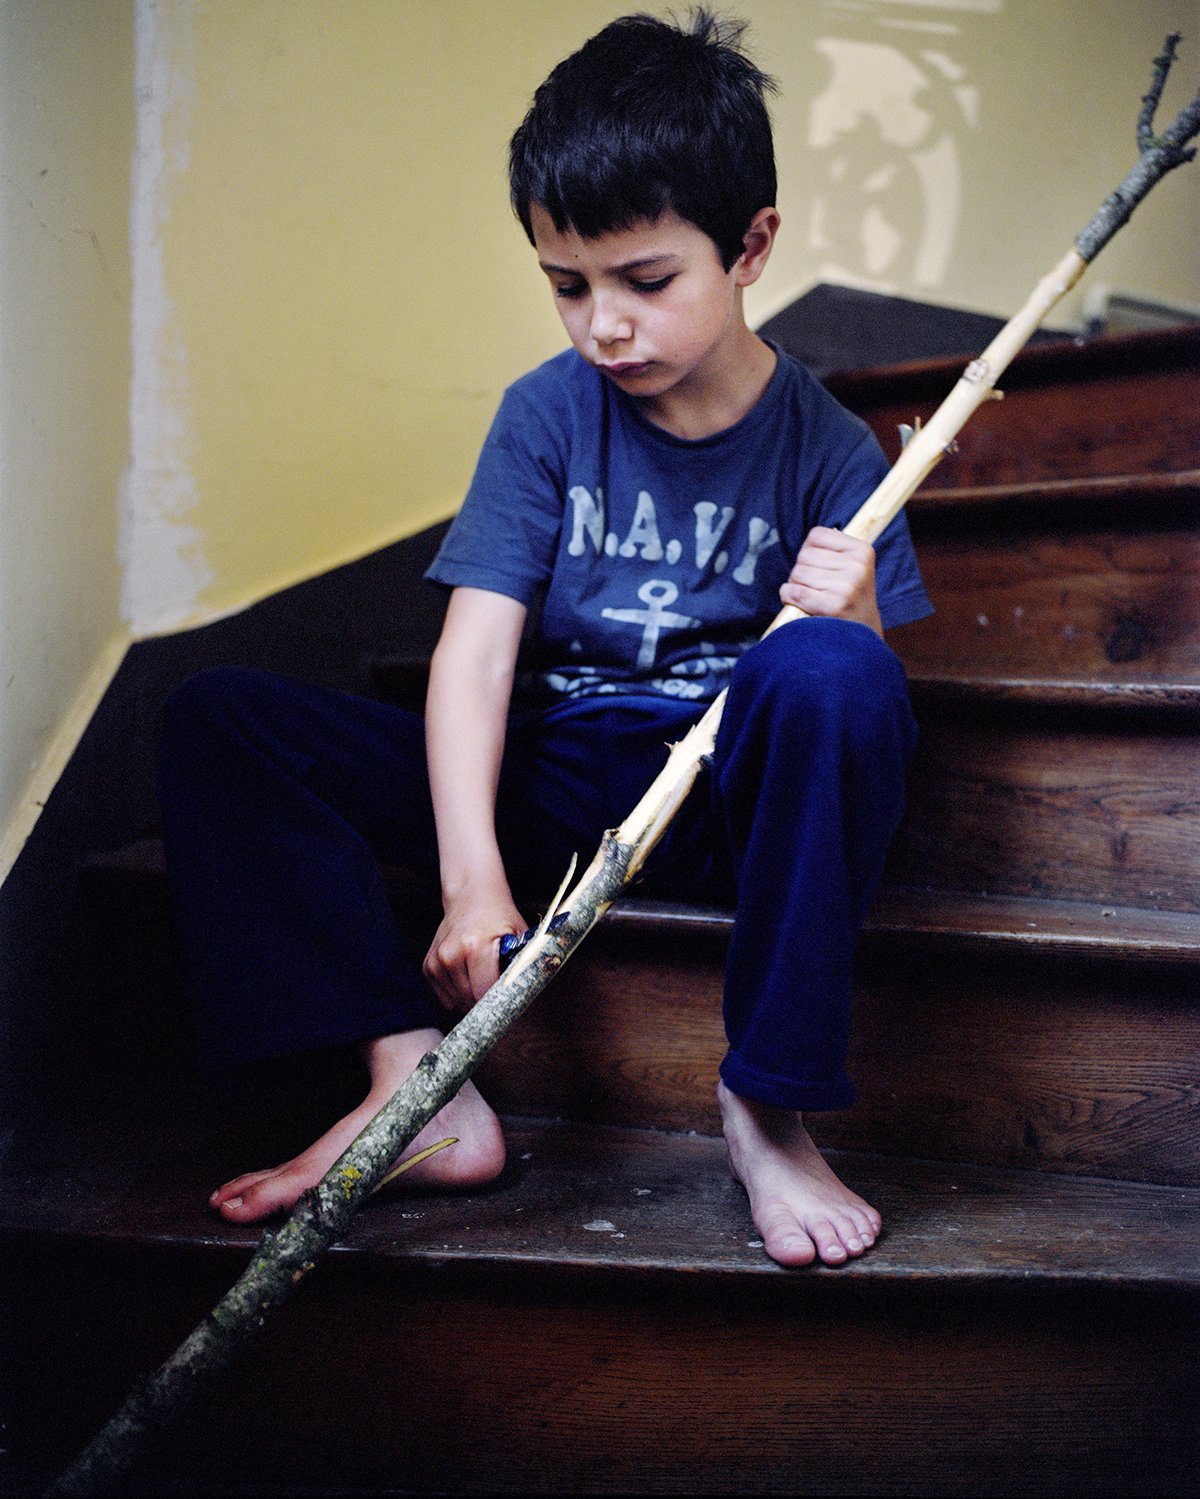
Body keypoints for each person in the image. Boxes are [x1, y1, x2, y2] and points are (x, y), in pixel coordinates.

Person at [158, 9, 932, 1269]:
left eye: (645, 282)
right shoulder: (547, 415)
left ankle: (768, 1102)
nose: (602, 325)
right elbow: (474, 655)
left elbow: (862, 717)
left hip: (725, 796)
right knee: (219, 717)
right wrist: (471, 878)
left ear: (751, 247)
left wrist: (855, 623)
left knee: (837, 667)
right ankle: (417, 1081)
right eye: (567, 285)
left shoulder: (832, 448)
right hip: (560, 779)